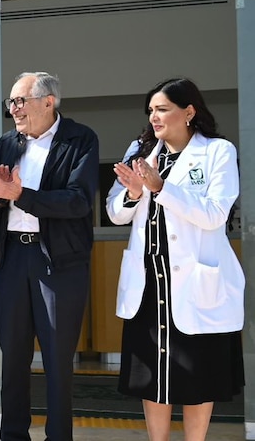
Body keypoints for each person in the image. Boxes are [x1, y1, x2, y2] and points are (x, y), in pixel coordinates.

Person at [104, 78, 244, 441]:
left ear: (189, 111)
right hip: (150, 282)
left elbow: (214, 214)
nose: (154, 116)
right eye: (151, 110)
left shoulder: (218, 152)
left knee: (198, 374)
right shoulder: (141, 151)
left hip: (196, 282)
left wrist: (162, 188)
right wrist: (134, 194)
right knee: (154, 375)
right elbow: (116, 212)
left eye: (162, 108)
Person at [0, 72, 99, 441]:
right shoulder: (7, 143)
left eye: (20, 101)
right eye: (10, 103)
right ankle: (13, 435)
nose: (13, 110)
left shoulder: (80, 139)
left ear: (49, 101)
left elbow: (78, 200)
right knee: (13, 356)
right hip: (10, 257)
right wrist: (0, 193)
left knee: (58, 358)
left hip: (58, 262)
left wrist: (20, 193)